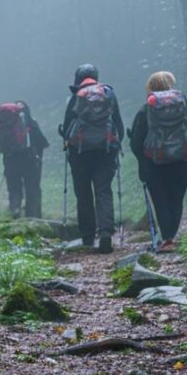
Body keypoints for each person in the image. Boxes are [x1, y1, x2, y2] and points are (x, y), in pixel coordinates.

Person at [129, 71, 187, 252]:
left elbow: (136, 142)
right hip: (183, 160)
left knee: (161, 201)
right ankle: (170, 237)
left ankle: (167, 238)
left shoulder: (146, 109)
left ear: (151, 87)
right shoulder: (182, 104)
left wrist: (142, 162)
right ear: (170, 85)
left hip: (155, 163)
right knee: (176, 199)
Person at [60, 64, 124, 253]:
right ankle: (105, 232)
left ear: (77, 78)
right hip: (105, 151)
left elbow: (66, 127)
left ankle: (87, 236)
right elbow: (118, 122)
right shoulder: (108, 94)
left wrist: (67, 142)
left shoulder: (75, 97)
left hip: (79, 153)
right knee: (103, 191)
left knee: (83, 193)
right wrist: (116, 142)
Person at [0, 100, 48, 218]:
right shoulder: (30, 122)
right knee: (32, 189)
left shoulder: (4, 122)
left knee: (14, 187)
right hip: (30, 160)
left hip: (10, 159)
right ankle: (33, 216)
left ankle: (15, 210)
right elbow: (41, 142)